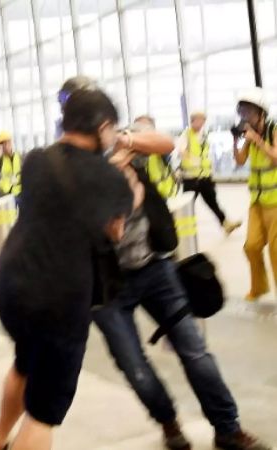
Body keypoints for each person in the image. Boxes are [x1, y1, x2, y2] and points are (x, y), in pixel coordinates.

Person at [93, 118, 270, 450]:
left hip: (155, 270)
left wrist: (126, 139)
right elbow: (109, 230)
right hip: (107, 286)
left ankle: (227, 428)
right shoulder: (77, 169)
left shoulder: (124, 147)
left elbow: (165, 143)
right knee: (135, 367)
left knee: (195, 352)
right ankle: (169, 423)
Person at [0, 89, 136, 450]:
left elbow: (62, 199)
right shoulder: (109, 179)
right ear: (102, 128)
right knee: (43, 414)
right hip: (59, 299)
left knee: (24, 365)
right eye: (113, 129)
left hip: (12, 287)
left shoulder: (37, 160)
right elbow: (114, 232)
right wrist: (126, 186)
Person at [233, 88, 277, 302]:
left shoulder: (273, 129)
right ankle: (259, 287)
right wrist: (236, 140)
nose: (244, 116)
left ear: (261, 112)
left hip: (276, 202)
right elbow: (240, 161)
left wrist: (257, 140)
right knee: (251, 246)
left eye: (248, 111)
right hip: (257, 202)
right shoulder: (249, 135)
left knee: (276, 251)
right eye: (242, 111)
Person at [177, 111, 242, 233]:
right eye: (200, 120)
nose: (202, 123)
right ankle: (178, 230)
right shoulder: (186, 135)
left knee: (213, 202)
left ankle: (225, 223)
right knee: (187, 206)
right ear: (193, 121)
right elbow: (181, 151)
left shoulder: (204, 135)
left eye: (203, 121)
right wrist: (193, 160)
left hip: (205, 177)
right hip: (191, 178)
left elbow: (205, 154)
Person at [0, 131, 22, 201]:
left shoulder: (18, 156)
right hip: (6, 194)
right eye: (1, 144)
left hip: (19, 192)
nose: (4, 146)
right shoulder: (0, 159)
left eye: (5, 143)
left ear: (10, 143)